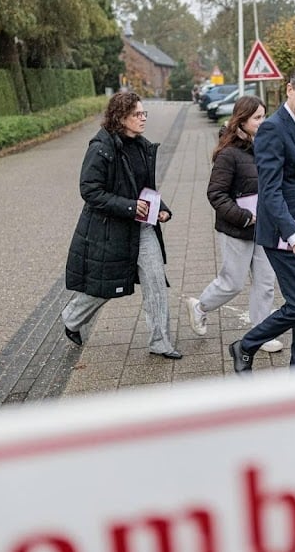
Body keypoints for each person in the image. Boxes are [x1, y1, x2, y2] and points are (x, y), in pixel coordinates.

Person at [61, 92, 182, 360]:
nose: (143, 118)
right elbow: (90, 190)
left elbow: (145, 188)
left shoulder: (141, 146)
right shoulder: (101, 148)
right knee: (105, 287)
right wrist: (129, 207)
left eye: (143, 113)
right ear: (121, 117)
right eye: (137, 114)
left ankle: (160, 342)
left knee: (155, 282)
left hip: (142, 228)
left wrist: (161, 208)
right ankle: (72, 317)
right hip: (111, 231)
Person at [229, 65, 295, 373]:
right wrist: (294, 235)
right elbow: (270, 192)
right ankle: (246, 345)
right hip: (283, 234)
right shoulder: (273, 128)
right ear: (289, 89)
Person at [184, 95, 283, 353]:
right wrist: (244, 216)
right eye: (257, 117)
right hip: (237, 229)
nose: (263, 122)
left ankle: (261, 334)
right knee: (233, 283)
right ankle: (200, 307)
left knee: (265, 282)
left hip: (264, 228)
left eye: (264, 116)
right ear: (242, 120)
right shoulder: (228, 154)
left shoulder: (264, 147)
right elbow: (216, 194)